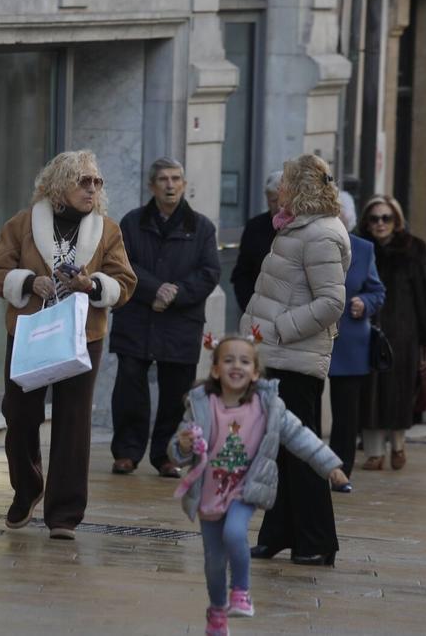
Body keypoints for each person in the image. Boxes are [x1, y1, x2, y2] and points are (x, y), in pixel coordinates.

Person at [0, 150, 136, 540]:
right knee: (19, 414)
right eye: (83, 181)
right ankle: (27, 488)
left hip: (83, 335)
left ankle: (64, 514)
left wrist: (92, 285)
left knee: (73, 422)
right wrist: (28, 281)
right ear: (58, 186)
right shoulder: (22, 224)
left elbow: (124, 282)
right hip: (29, 332)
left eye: (97, 182)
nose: (92, 189)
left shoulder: (107, 231)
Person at [168, 336, 348, 636]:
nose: (236, 366)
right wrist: (183, 446)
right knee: (214, 563)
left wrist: (330, 466)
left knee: (235, 532)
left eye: (244, 361)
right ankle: (217, 612)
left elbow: (300, 436)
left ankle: (241, 591)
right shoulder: (201, 405)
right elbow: (178, 452)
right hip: (209, 494)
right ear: (215, 369)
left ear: (255, 372)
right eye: (228, 360)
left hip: (244, 490)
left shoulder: (267, 407)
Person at [240, 153, 350, 565]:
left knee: (302, 452)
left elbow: (331, 302)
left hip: (295, 358)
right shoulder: (298, 227)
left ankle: (318, 540)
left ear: (300, 187)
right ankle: (280, 533)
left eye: (286, 181)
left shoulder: (319, 233)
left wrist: (280, 328)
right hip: (277, 354)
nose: (279, 188)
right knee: (280, 449)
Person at [109, 157, 220, 477]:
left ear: (184, 185)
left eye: (175, 179)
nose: (170, 185)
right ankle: (127, 452)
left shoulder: (202, 227)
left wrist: (176, 294)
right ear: (151, 186)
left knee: (176, 392)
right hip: (137, 317)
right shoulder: (132, 222)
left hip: (180, 322)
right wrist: (154, 290)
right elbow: (121, 263)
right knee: (129, 387)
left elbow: (209, 272)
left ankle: (167, 455)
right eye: (163, 179)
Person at [355, 194, 426, 470]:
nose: (380, 223)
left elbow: (424, 293)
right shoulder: (359, 248)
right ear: (366, 222)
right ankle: (374, 452)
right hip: (366, 331)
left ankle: (398, 445)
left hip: (403, 333)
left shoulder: (413, 249)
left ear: (396, 220)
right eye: (374, 219)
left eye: (386, 218)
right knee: (370, 393)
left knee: (399, 391)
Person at [327, 193, 386, 492]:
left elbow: (377, 291)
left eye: (339, 214)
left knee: (346, 415)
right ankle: (310, 468)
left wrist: (365, 302)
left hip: (350, 341)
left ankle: (340, 470)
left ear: (348, 219)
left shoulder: (363, 249)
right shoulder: (311, 244)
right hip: (312, 338)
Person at [230, 171, 283, 313]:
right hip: (258, 310)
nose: (279, 207)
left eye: (283, 201)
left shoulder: (302, 228)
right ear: (267, 199)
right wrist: (251, 307)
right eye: (274, 201)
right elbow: (242, 274)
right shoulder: (255, 227)